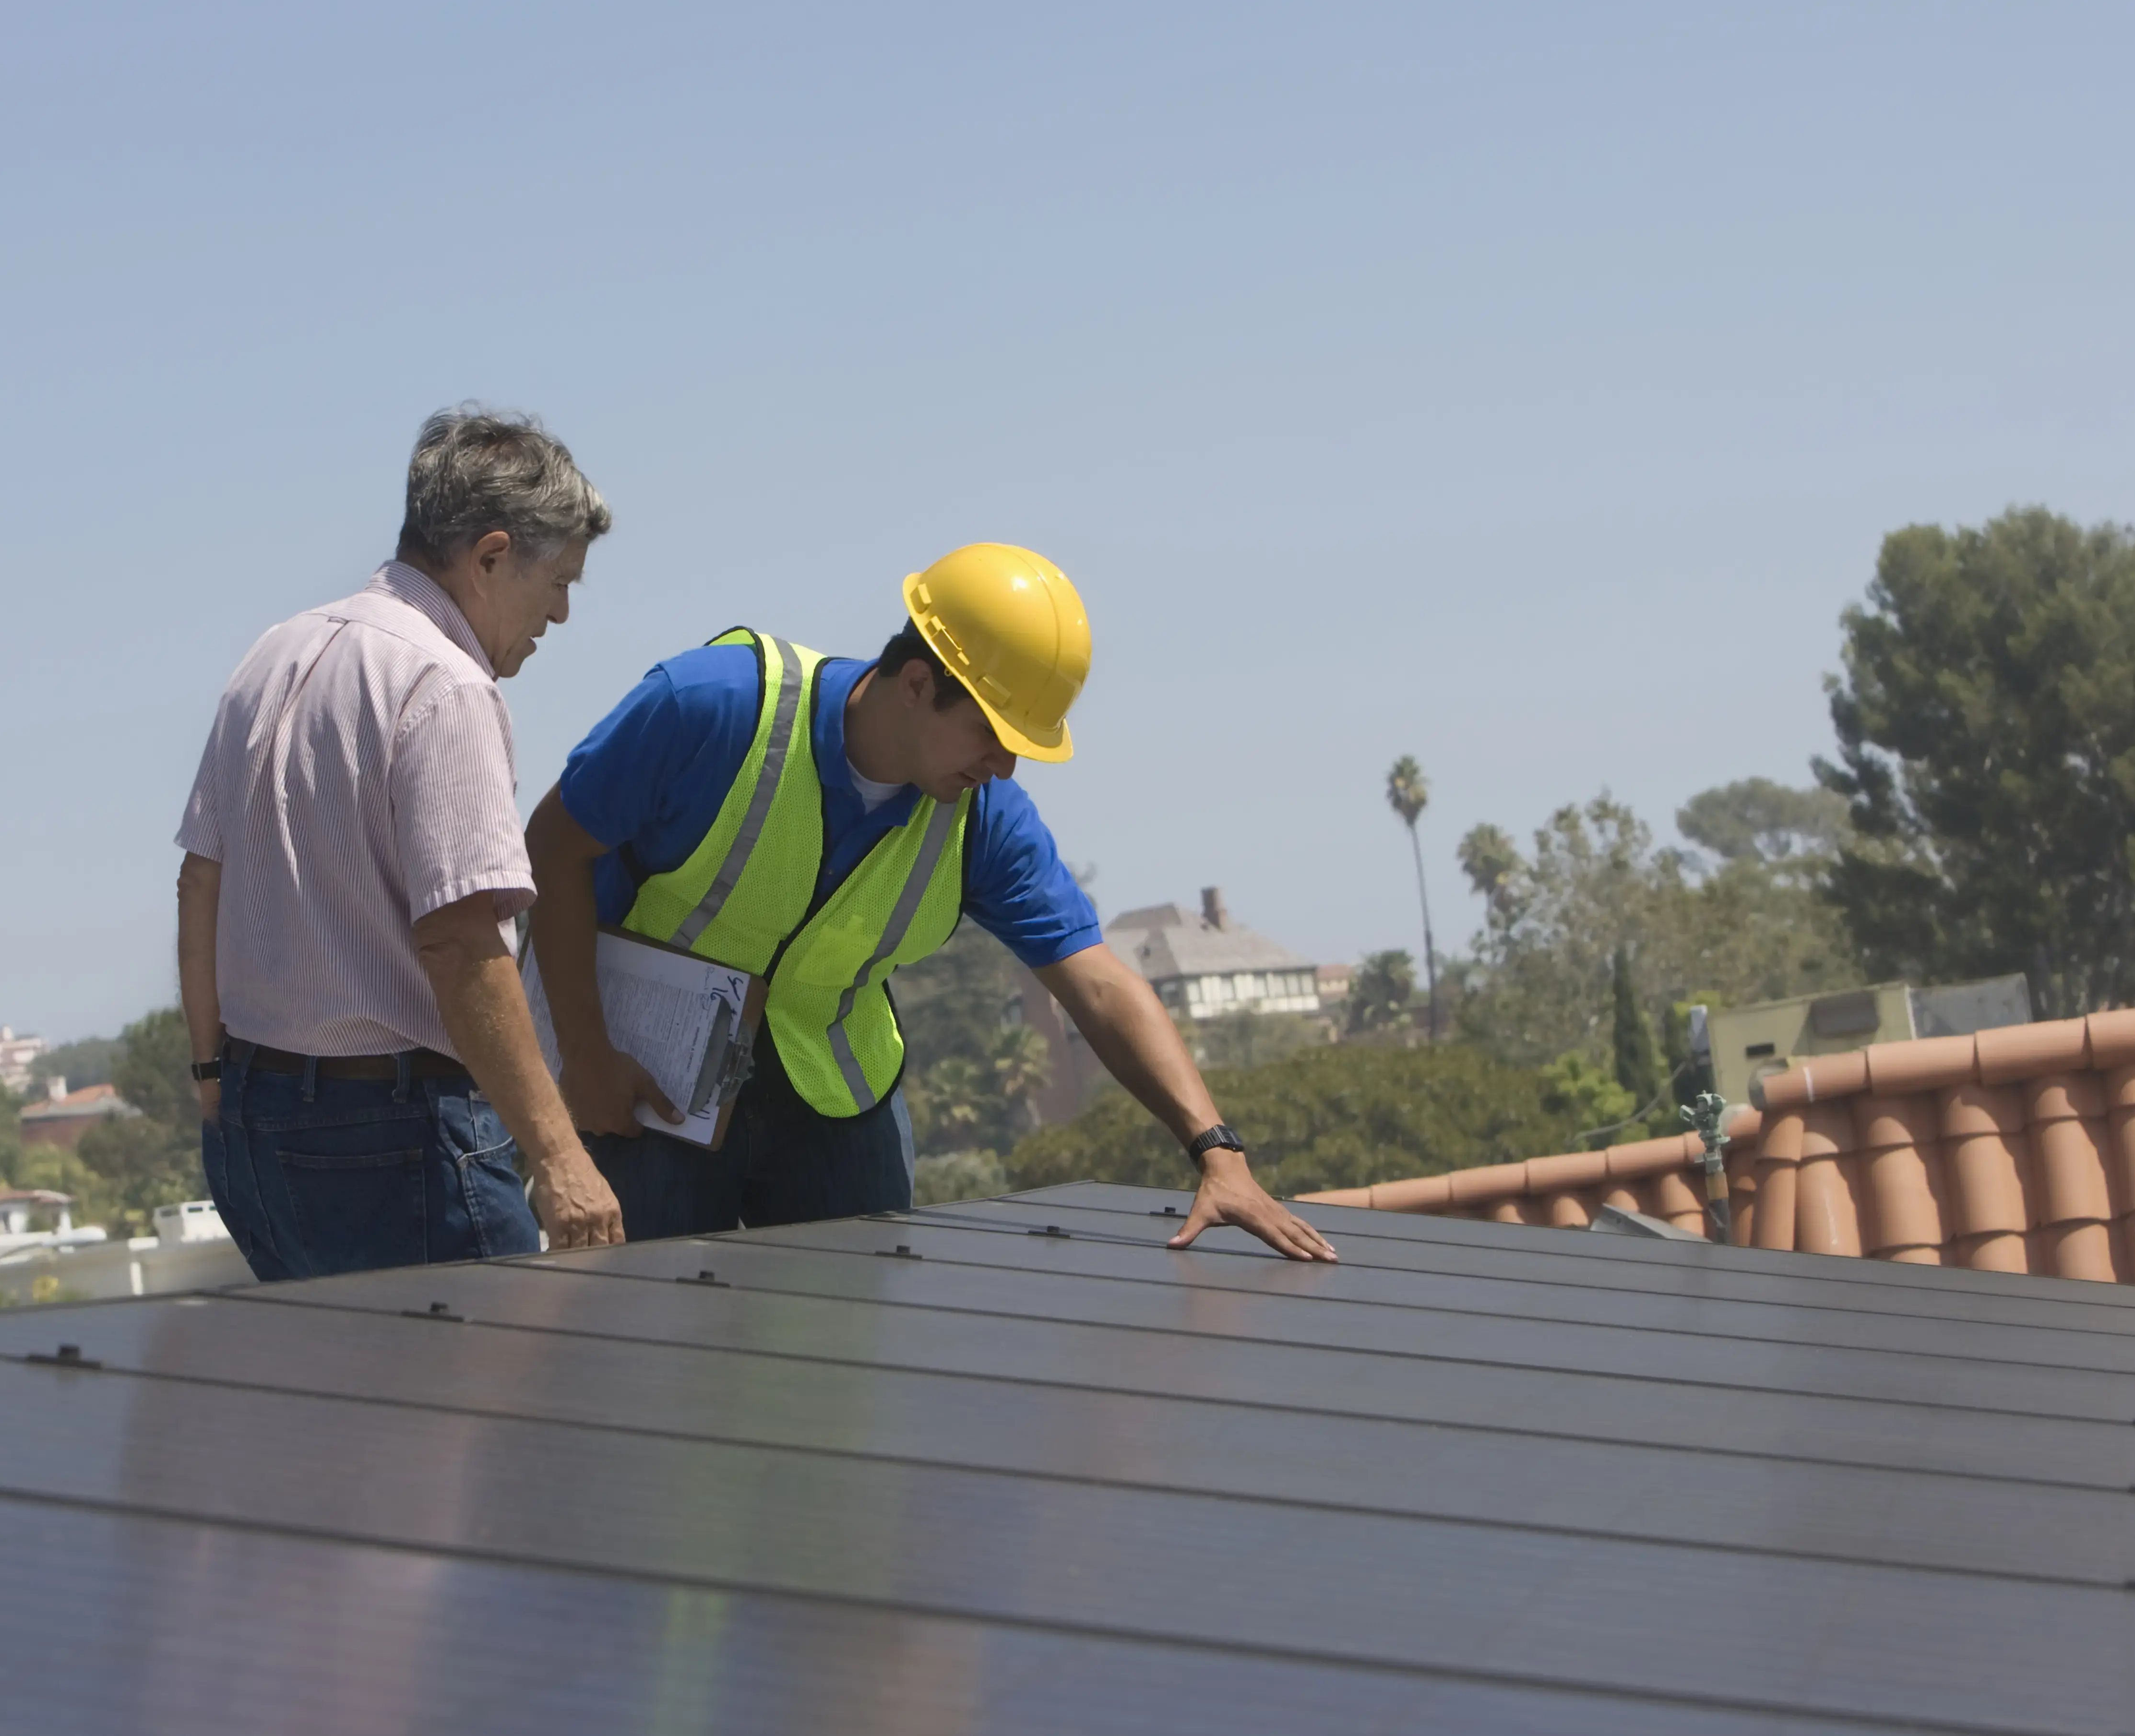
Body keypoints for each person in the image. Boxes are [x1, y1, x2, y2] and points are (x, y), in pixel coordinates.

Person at [524, 542, 1336, 1261]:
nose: (1006, 769)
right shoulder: (711, 708)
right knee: (640, 1350)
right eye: (993, 736)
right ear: (917, 682)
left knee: (841, 1376)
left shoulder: (984, 819)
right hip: (648, 1084)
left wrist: (1216, 1153)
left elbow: (1096, 983)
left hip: (833, 1103)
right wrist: (587, 1059)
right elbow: (553, 846)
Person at [177, 407, 625, 1281]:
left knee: (339, 1415)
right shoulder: (443, 685)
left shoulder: (272, 654)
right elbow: (461, 942)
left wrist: (210, 1079)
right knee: (489, 1411)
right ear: (491, 557)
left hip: (253, 1125)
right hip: (398, 1141)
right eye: (559, 581)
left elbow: (201, 881)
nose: (563, 613)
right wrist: (560, 1160)